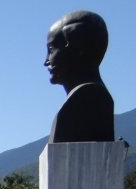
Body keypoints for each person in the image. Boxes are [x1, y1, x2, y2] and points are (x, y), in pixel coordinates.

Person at [44, 10, 114, 143]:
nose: (46, 61)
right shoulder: (83, 100)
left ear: (78, 48)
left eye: (51, 50)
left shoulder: (88, 99)